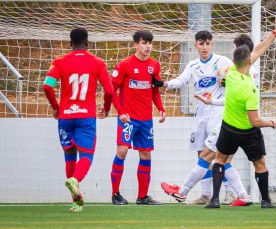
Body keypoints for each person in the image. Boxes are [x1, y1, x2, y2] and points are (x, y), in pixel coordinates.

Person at [205, 21, 276, 209]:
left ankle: (214, 199)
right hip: (248, 132)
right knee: (260, 163)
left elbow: (258, 50)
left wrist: (274, 33)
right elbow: (254, 120)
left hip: (229, 128)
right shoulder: (250, 89)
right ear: (249, 61)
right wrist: (271, 122)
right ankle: (265, 200)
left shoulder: (230, 73)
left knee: (220, 160)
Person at [157, 30, 240, 205]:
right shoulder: (193, 65)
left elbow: (237, 77)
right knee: (200, 153)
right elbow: (181, 80)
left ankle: (230, 192)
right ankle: (205, 194)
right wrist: (165, 84)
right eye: (201, 43)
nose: (204, 47)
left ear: (212, 44)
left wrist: (227, 81)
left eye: (208, 43)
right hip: (201, 114)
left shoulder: (223, 62)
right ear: (196, 45)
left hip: (218, 113)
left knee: (215, 155)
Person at [43, 27, 113, 213]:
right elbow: (109, 91)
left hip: (65, 116)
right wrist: (106, 109)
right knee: (86, 155)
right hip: (85, 116)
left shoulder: (59, 62)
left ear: (70, 43)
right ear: (87, 42)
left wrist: (56, 107)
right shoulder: (97, 62)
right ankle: (75, 180)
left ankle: (75, 202)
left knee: (69, 155)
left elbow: (47, 86)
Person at [110, 30, 166, 205]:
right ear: (135, 44)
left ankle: (142, 197)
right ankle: (115, 194)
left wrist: (161, 108)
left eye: (150, 43)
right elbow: (112, 91)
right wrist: (120, 112)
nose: (148, 46)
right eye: (144, 42)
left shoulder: (154, 65)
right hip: (128, 118)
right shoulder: (124, 65)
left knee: (146, 154)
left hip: (145, 119)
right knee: (122, 151)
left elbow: (154, 90)